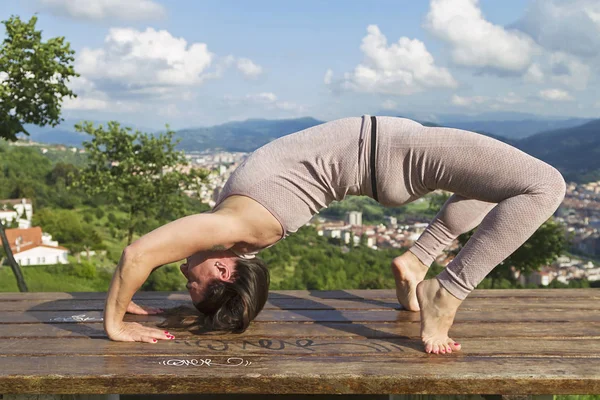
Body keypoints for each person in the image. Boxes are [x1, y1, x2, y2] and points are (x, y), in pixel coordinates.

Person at [103, 115, 566, 355]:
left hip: (383, 158)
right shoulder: (234, 228)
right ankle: (447, 291)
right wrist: (116, 324)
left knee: (490, 186)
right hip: (393, 152)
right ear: (224, 268)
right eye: (192, 279)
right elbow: (137, 253)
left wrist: (130, 300)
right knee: (545, 185)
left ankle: (417, 260)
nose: (182, 268)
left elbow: (150, 255)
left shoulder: (234, 231)